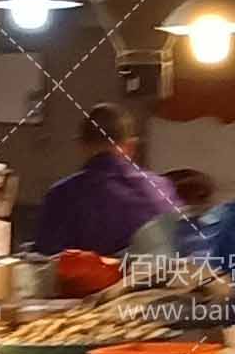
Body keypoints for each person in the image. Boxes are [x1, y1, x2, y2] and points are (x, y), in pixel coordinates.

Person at [31, 106, 182, 259]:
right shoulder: (163, 187)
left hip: (95, 274)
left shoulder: (62, 195)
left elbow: (47, 257)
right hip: (162, 272)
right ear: (131, 145)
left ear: (82, 146)